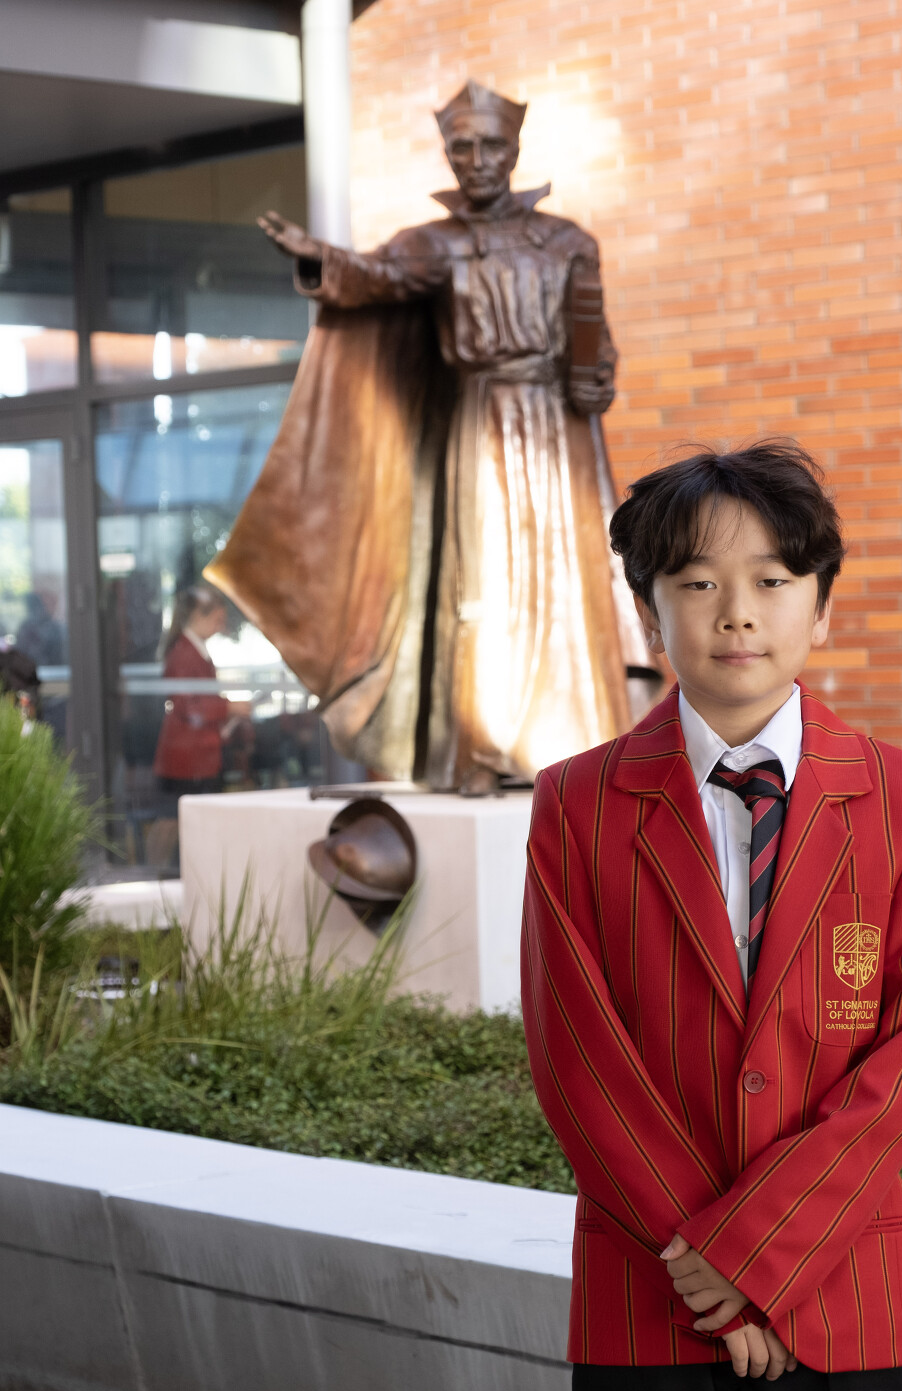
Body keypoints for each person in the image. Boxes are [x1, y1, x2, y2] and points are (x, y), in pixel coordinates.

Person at [521, 441, 902, 1391]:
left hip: (839, 1280)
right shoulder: (577, 804)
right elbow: (578, 1057)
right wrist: (710, 1269)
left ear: (821, 606)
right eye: (697, 582)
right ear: (649, 610)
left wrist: (755, 1259)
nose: (737, 613)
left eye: (773, 581)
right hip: (647, 1277)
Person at [206, 80, 650, 795]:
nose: (476, 160)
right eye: (461, 147)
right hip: (478, 427)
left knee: (563, 581)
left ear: (513, 149)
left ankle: (569, 741)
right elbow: (375, 278)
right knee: (480, 582)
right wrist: (321, 257)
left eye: (490, 145)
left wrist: (594, 375)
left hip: (556, 434)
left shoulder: (569, 242)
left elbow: (592, 342)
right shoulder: (434, 244)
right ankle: (479, 748)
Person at [149, 584, 248, 868]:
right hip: (186, 756)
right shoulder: (183, 653)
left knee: (182, 818)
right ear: (198, 616)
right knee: (171, 820)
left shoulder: (194, 650)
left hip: (197, 753)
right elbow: (188, 705)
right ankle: (155, 871)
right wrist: (229, 707)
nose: (220, 626)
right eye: (217, 619)